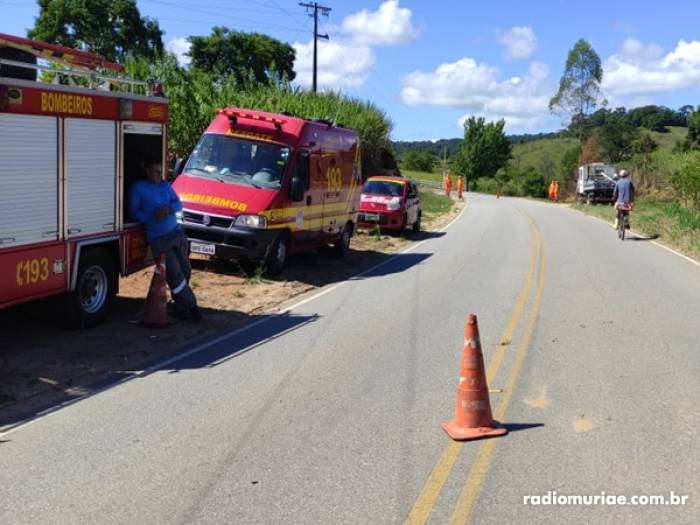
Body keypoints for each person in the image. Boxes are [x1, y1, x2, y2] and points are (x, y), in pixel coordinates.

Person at [129, 161, 201, 322]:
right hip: (159, 238)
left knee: (185, 270)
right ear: (147, 170)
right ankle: (192, 306)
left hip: (176, 234)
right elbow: (133, 211)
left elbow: (178, 203)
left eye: (160, 172)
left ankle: (181, 306)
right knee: (175, 274)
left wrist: (169, 209)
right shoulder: (138, 188)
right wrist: (152, 217)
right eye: (155, 171)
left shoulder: (164, 185)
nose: (158, 175)